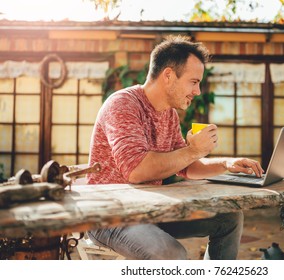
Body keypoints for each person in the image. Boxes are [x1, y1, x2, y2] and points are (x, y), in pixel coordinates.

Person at [86, 35, 263, 260]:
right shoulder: (122, 105)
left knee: (229, 218)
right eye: (194, 81)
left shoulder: (168, 114)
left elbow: (186, 167)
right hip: (111, 216)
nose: (197, 91)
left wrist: (227, 164)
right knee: (172, 254)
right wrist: (193, 150)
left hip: (151, 209)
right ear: (168, 75)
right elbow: (136, 171)